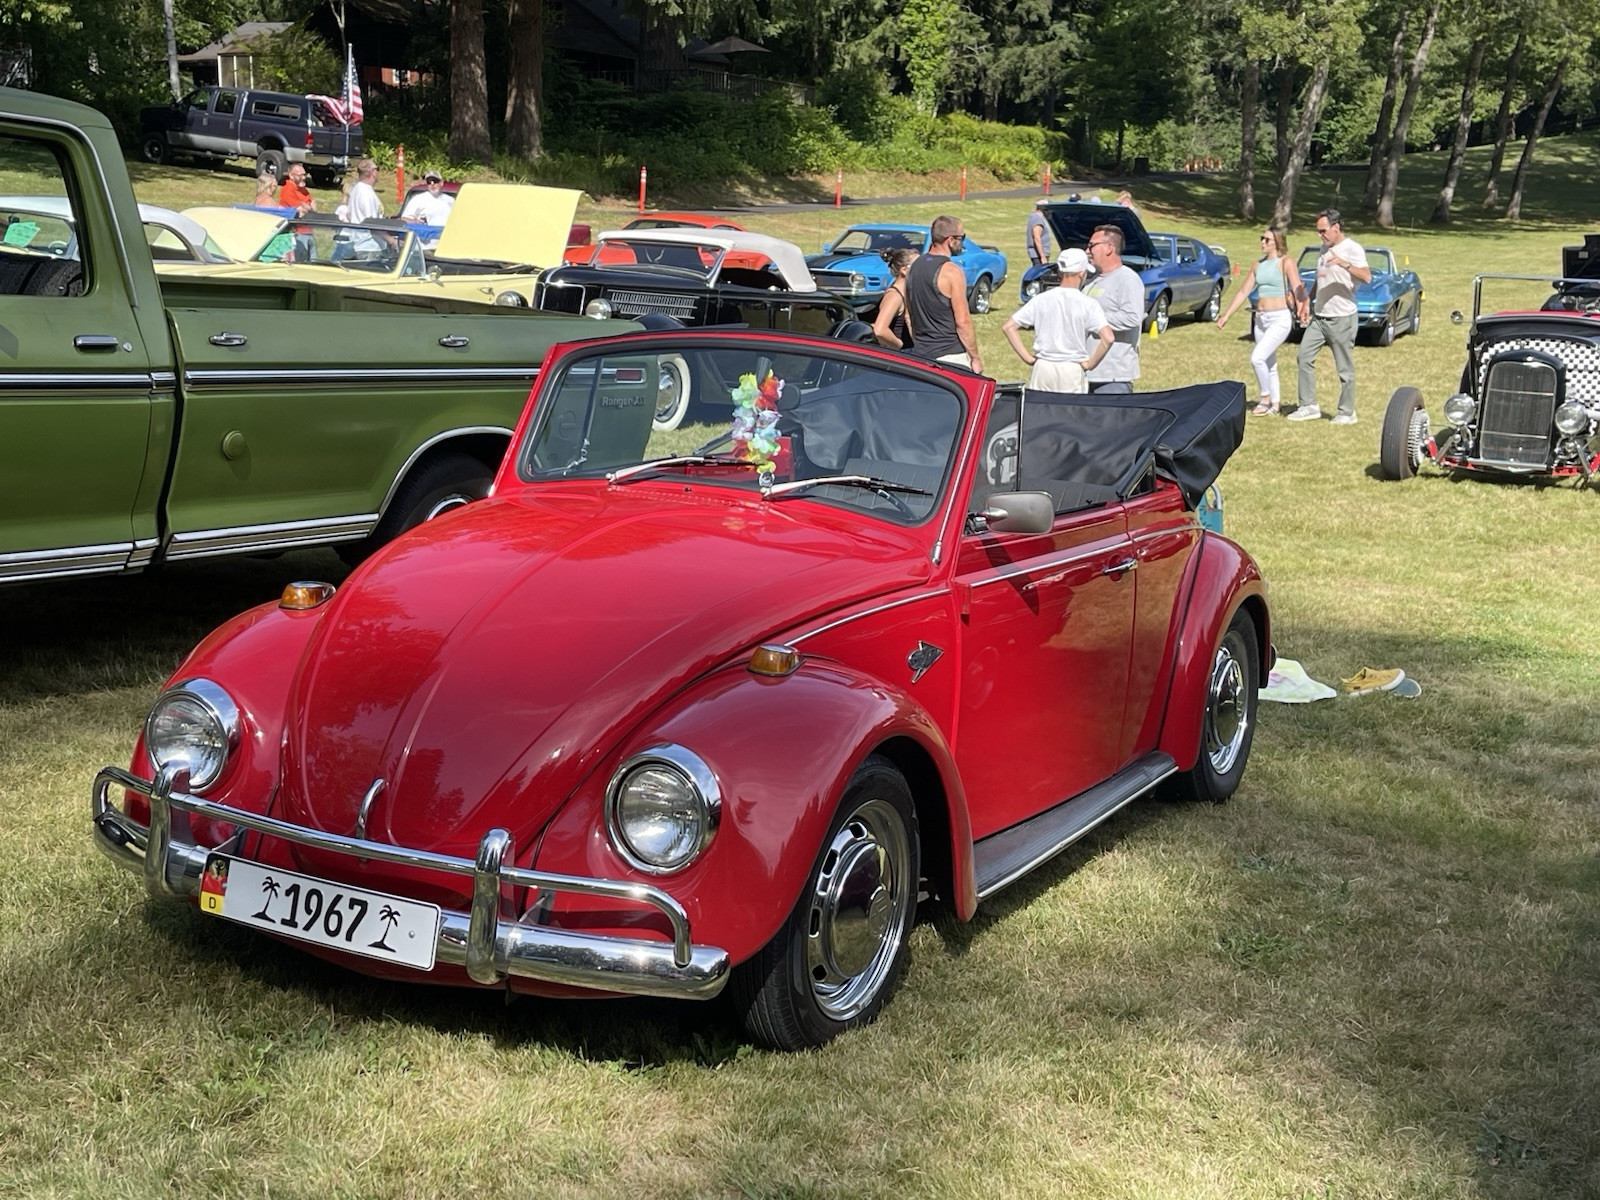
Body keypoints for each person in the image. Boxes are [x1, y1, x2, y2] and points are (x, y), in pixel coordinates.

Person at [1289, 207, 1370, 424]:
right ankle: (1308, 405)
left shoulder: (1352, 248)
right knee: (1304, 356)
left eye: (1323, 231)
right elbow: (1321, 278)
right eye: (1318, 231)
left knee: (1344, 368)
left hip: (1342, 317)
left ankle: (1347, 412)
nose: (1320, 235)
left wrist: (1344, 264)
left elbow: (1366, 276)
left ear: (1336, 228)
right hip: (1320, 316)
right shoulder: (1323, 250)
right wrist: (1308, 300)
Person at [1216, 226, 1305, 415]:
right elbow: (1243, 291)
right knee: (1269, 363)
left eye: (1266, 240)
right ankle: (1275, 404)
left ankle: (1264, 398)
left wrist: (1302, 306)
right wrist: (1226, 315)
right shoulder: (1258, 265)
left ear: (1278, 242)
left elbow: (1297, 286)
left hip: (1279, 318)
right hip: (1260, 319)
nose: (1262, 242)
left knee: (1257, 358)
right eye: (1261, 238)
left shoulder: (1286, 262)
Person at [1001, 247, 1113, 392]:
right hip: (1071, 369)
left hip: (1043, 368)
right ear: (1081, 273)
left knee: (1040, 411)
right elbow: (1108, 337)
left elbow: (1009, 327)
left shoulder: (1041, 299)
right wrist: (1090, 364)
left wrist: (1028, 358)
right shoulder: (1088, 304)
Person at [904, 215, 983, 373]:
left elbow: (908, 315)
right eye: (962, 237)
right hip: (950, 356)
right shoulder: (951, 271)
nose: (963, 243)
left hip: (920, 354)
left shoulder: (914, 267)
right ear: (950, 239)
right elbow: (963, 321)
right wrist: (975, 357)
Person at [1082, 225, 1143, 392]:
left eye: (1092, 245)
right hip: (1088, 373)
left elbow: (1132, 318)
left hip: (1113, 377)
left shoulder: (1127, 279)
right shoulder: (1092, 281)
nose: (1088, 251)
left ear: (1109, 248)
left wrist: (1094, 319)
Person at [872, 248, 919, 350]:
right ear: (904, 270)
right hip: (900, 358)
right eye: (918, 266)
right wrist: (899, 346)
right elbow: (880, 330)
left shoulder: (907, 292)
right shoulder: (895, 296)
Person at [1025, 199, 1051, 267]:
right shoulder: (1038, 219)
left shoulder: (1032, 217)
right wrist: (1043, 257)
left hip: (1036, 254)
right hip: (1038, 256)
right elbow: (1037, 238)